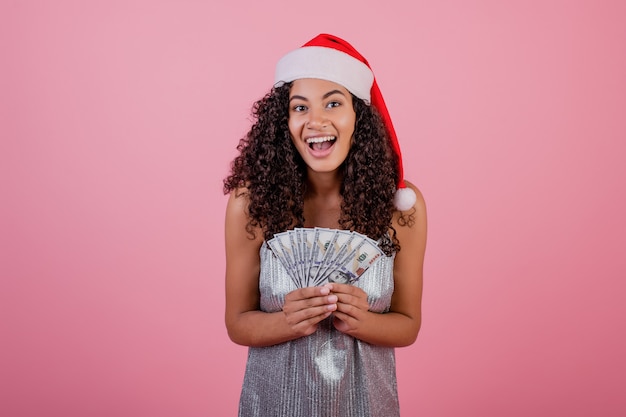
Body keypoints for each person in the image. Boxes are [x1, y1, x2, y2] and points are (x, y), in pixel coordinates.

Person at [223, 33, 427, 417]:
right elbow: (237, 323)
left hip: (366, 405)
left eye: (333, 103)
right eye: (300, 108)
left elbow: (408, 324)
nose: (315, 120)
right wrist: (287, 322)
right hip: (273, 404)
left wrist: (362, 322)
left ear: (359, 117)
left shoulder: (401, 209)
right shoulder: (250, 204)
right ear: (283, 121)